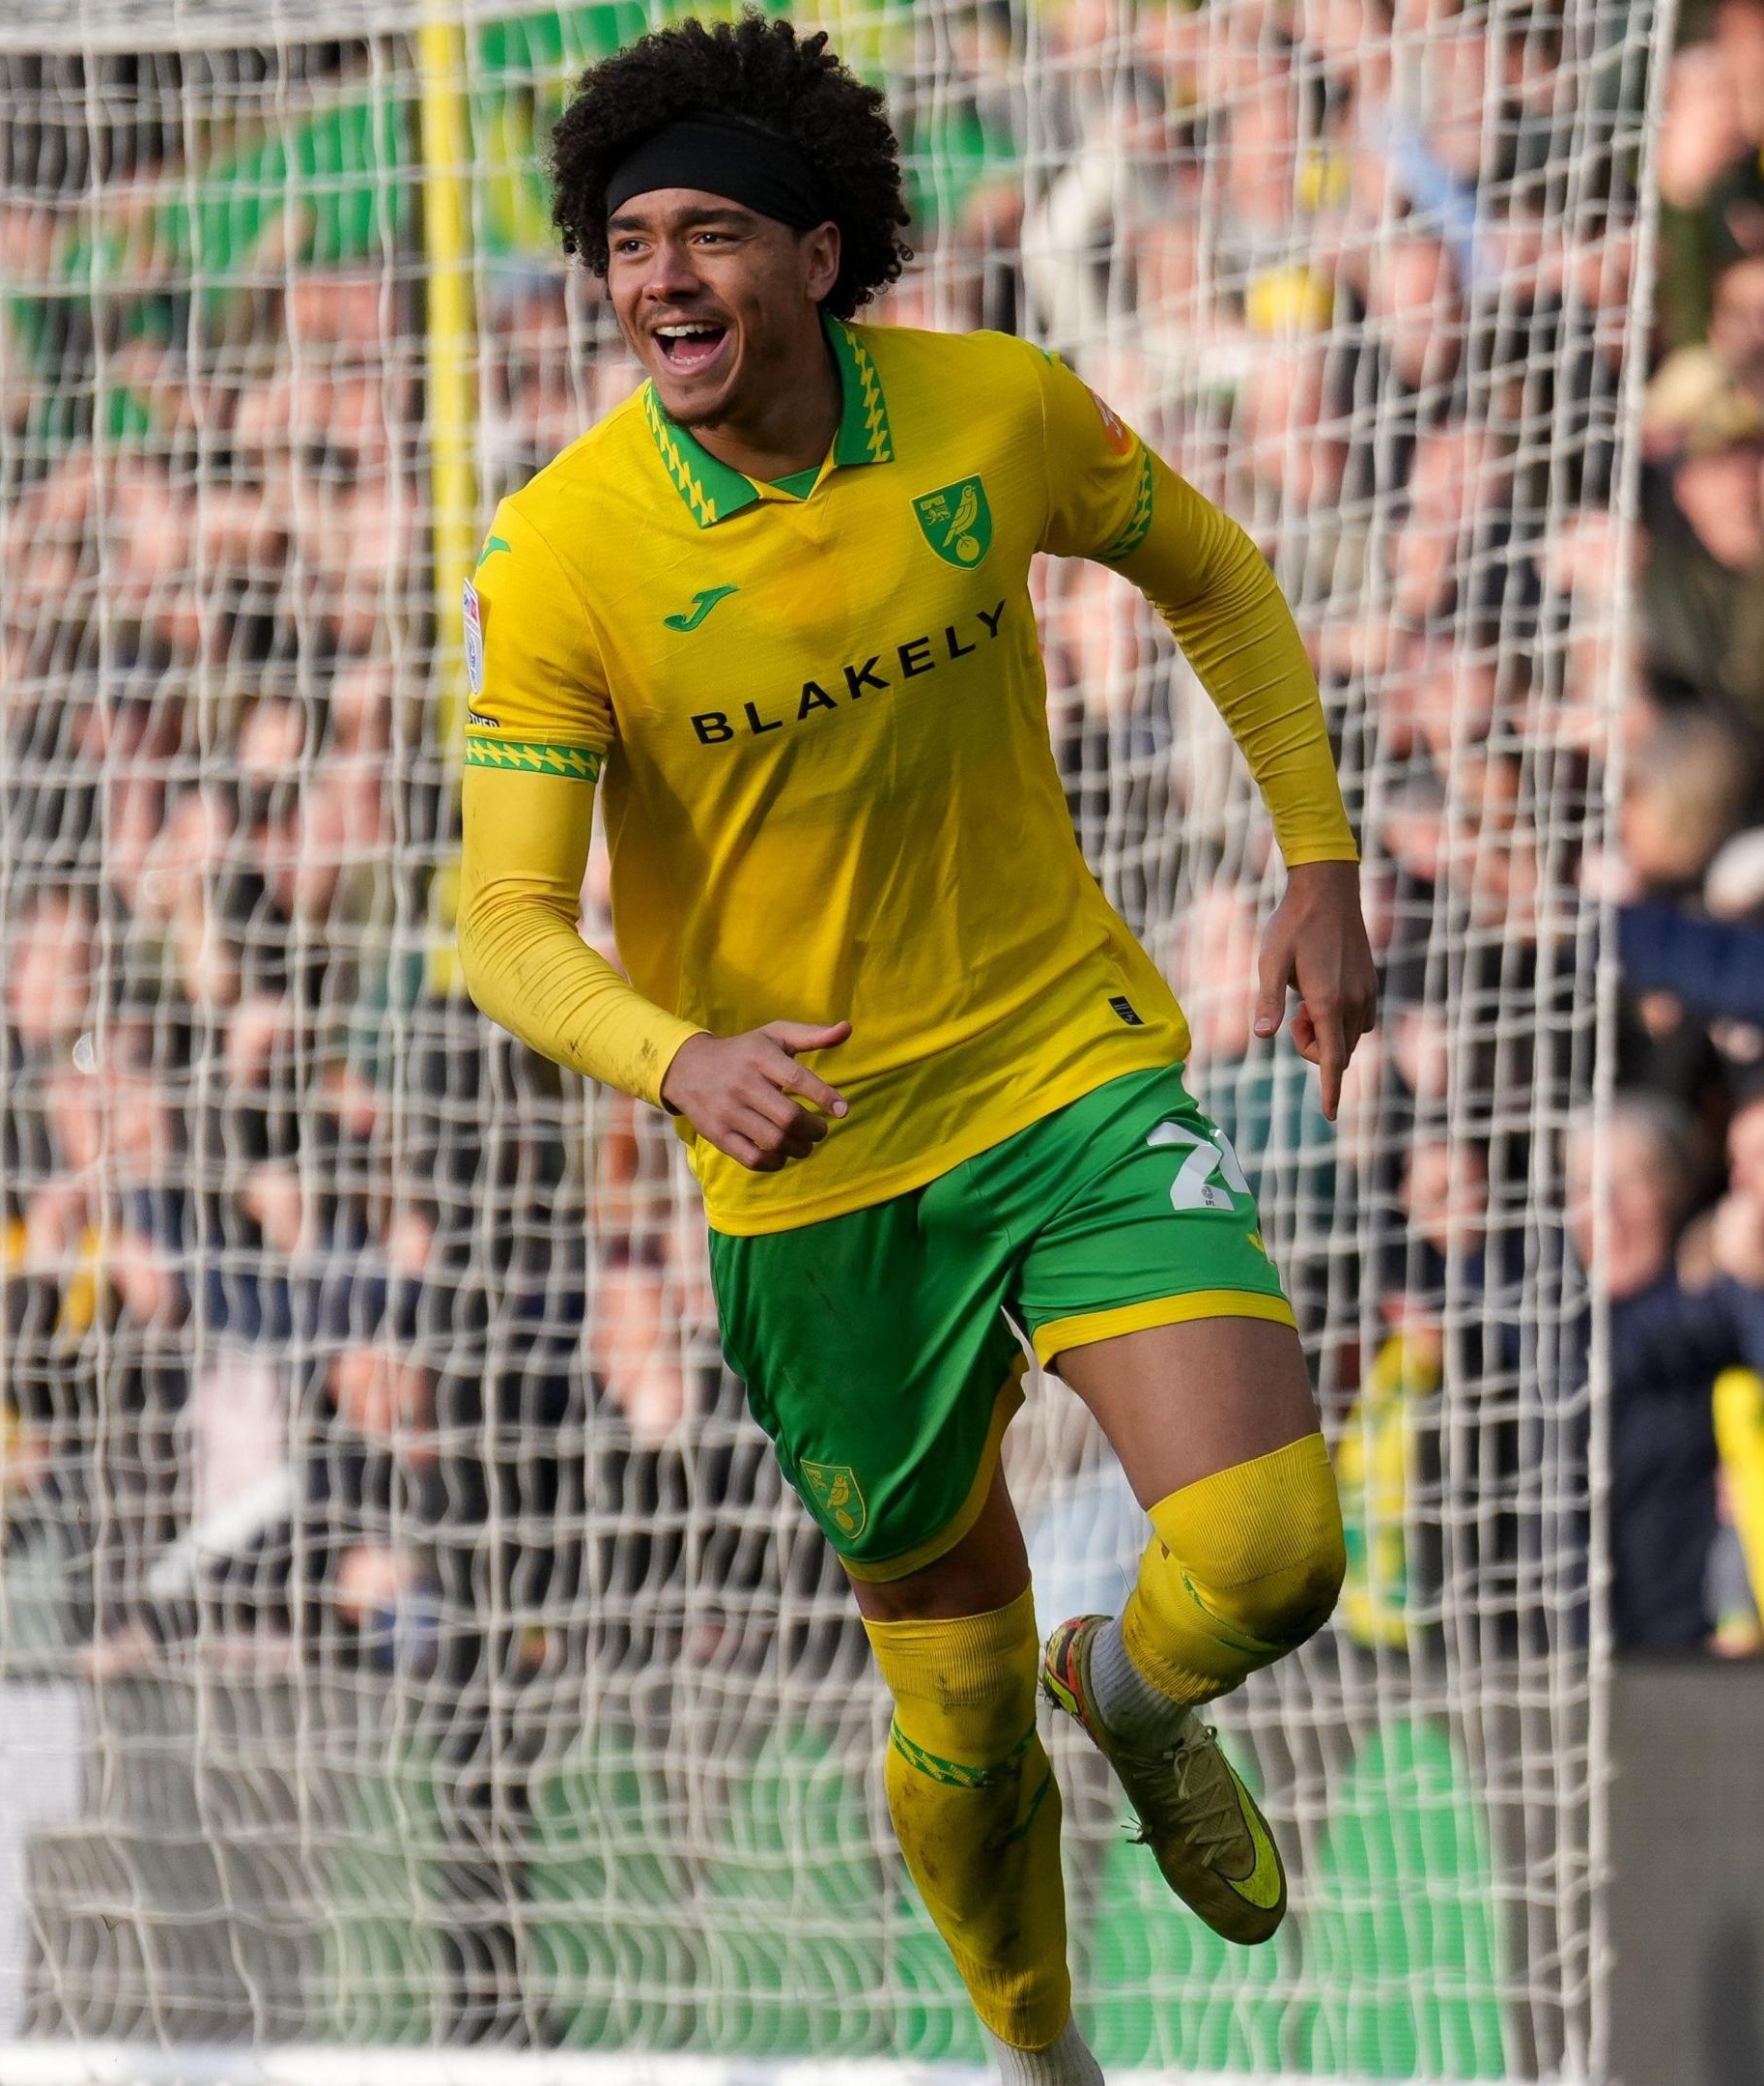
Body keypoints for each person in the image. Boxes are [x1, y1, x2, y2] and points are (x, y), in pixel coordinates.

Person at [456, 23, 1377, 2083]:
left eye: (706, 233)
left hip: (1062, 1066)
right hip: (820, 1173)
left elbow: (1211, 574)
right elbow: (501, 919)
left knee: (1275, 1555)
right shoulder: (564, 554)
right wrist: (675, 1054)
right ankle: (1048, 2061)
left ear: (818, 247)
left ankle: (1131, 1688)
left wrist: (1314, 858)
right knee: (952, 1713)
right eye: (624, 242)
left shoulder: (992, 410)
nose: (660, 279)